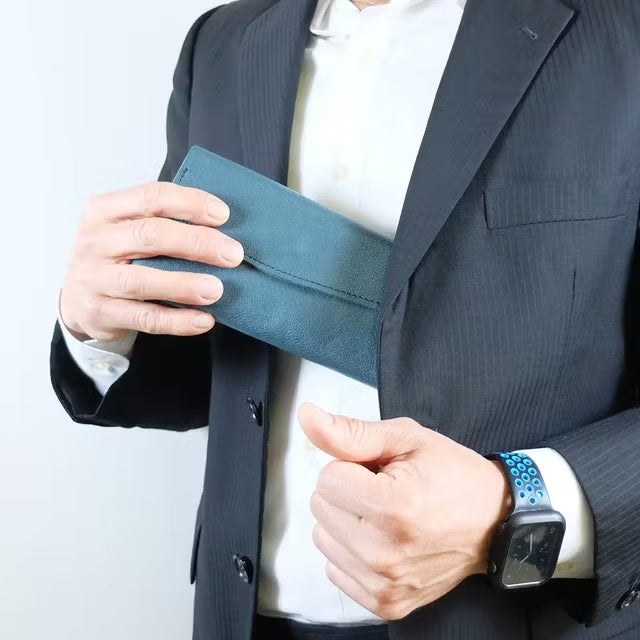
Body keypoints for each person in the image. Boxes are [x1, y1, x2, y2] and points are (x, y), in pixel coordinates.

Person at [49, 0, 640, 638]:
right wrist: (98, 327)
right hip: (242, 618)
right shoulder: (220, 43)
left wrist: (514, 505)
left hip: (517, 618)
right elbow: (207, 368)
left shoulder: (620, 29)